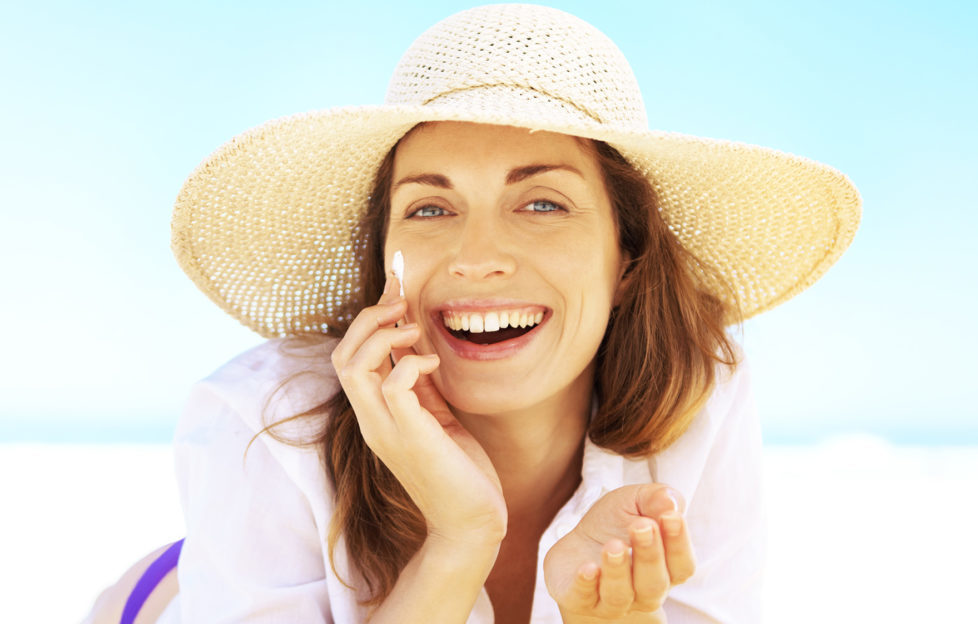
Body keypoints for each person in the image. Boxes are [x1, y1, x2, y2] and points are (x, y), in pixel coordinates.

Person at [86, 4, 861, 623]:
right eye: (429, 209)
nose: (476, 257)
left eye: (543, 202)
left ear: (625, 258)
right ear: (381, 250)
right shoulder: (265, 416)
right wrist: (460, 539)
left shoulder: (702, 390)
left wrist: (613, 620)